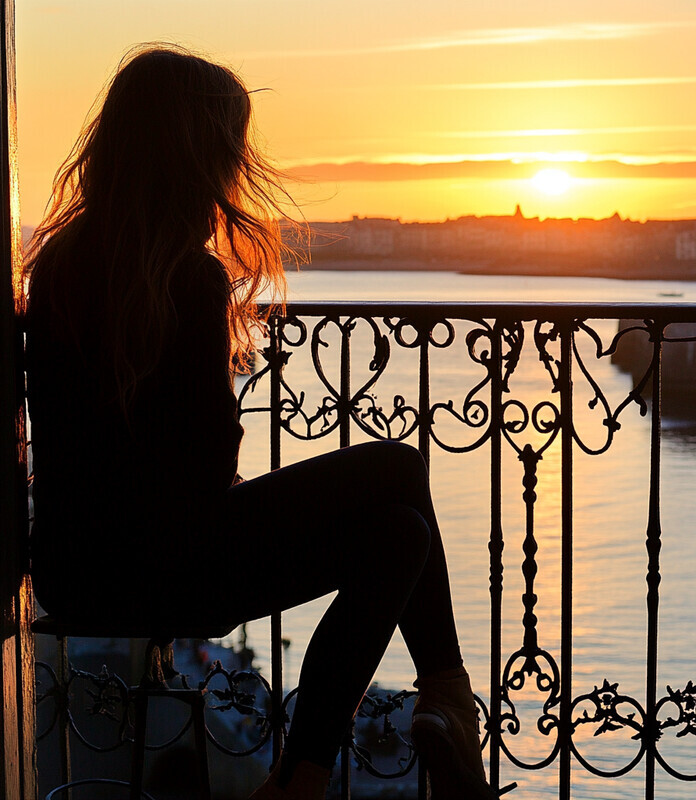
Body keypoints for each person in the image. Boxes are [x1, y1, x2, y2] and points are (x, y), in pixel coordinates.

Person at [25, 45, 494, 800]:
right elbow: (207, 469)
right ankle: (437, 708)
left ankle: (304, 779)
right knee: (400, 469)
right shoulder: (190, 278)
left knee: (401, 534)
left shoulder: (58, 269)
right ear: (195, 160)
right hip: (178, 568)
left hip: (81, 572)